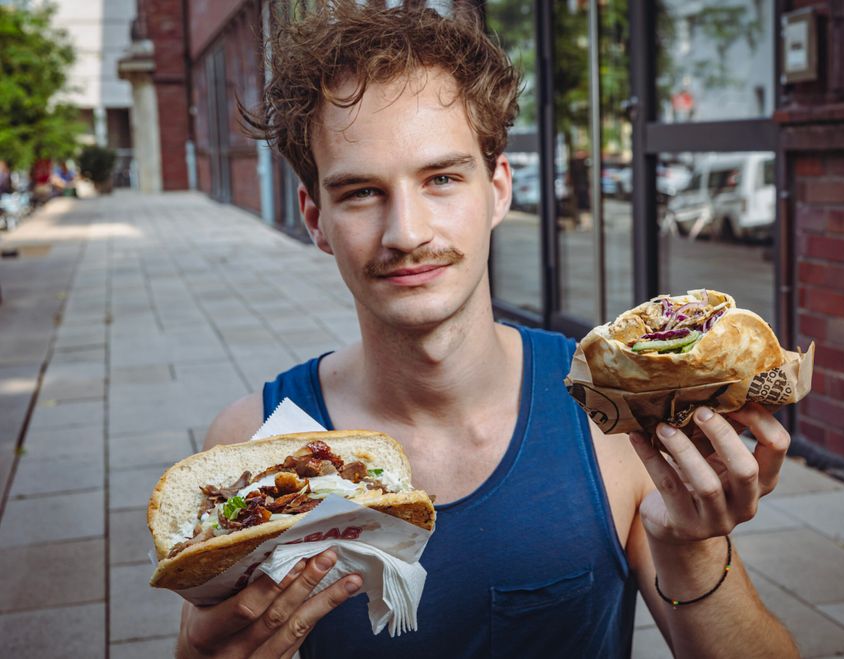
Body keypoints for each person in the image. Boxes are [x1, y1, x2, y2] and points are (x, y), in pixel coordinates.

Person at [177, 4, 799, 658]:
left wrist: (690, 550)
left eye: (441, 178)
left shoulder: (607, 419)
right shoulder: (257, 447)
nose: (407, 232)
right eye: (361, 192)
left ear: (498, 189)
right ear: (314, 216)